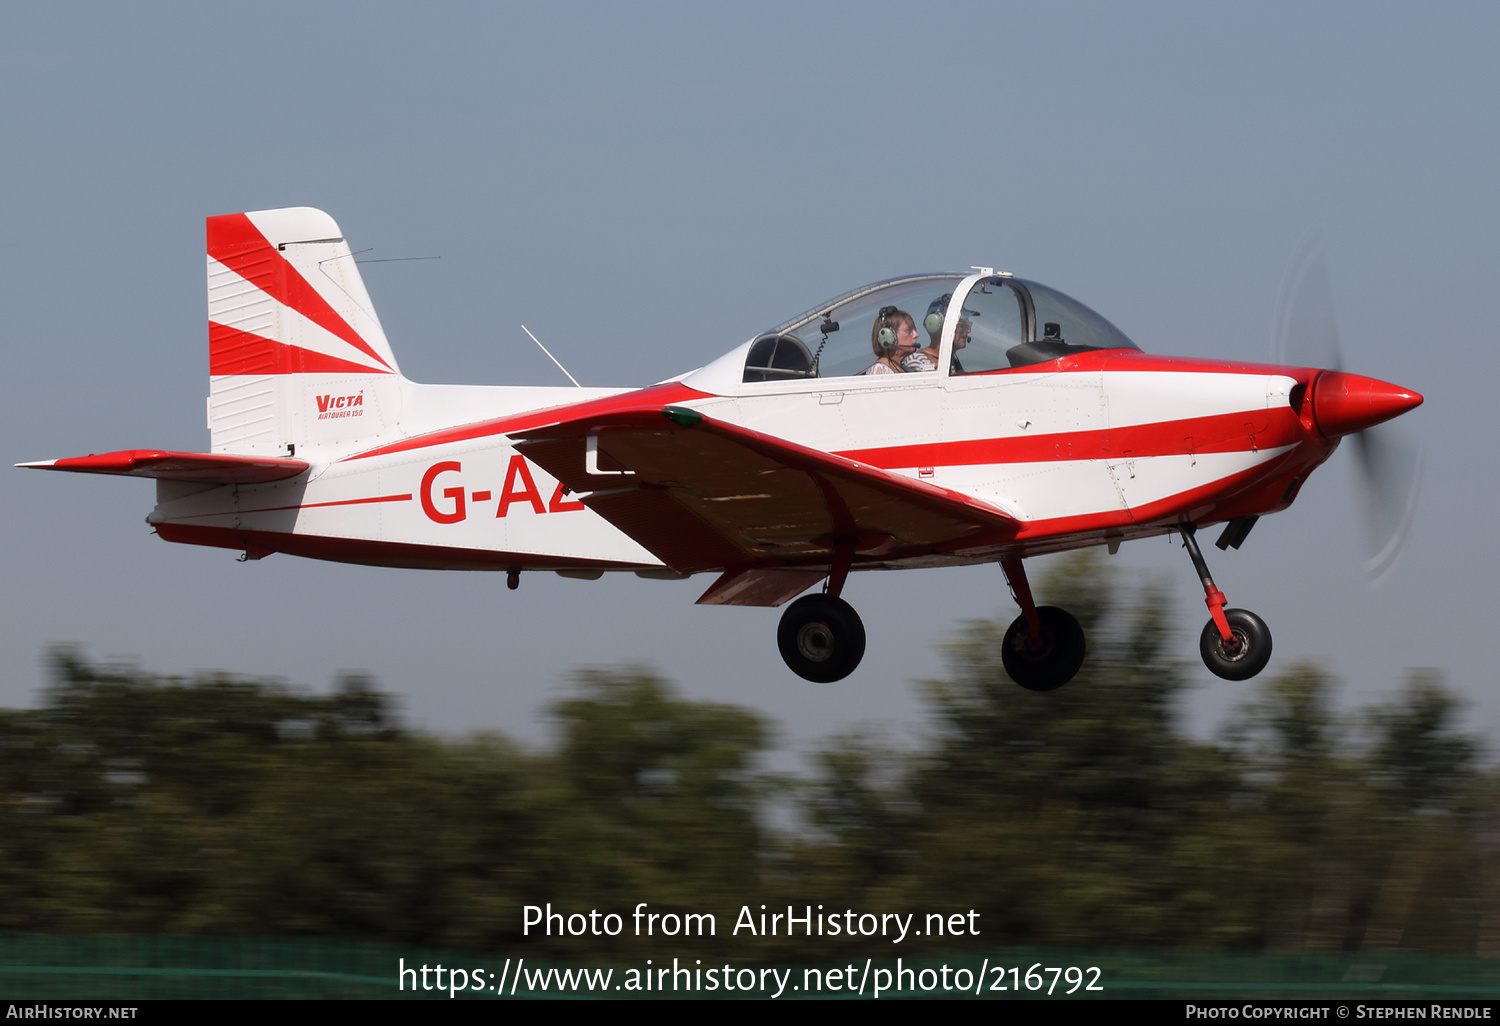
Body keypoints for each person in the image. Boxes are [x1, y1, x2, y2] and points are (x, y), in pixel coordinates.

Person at [901, 294, 970, 373]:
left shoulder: (952, 362)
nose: (968, 330)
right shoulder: (917, 363)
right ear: (940, 324)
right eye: (962, 324)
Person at [861, 306, 919, 375]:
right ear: (888, 336)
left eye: (914, 330)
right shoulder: (881, 372)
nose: (916, 335)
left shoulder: (905, 369)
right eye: (909, 330)